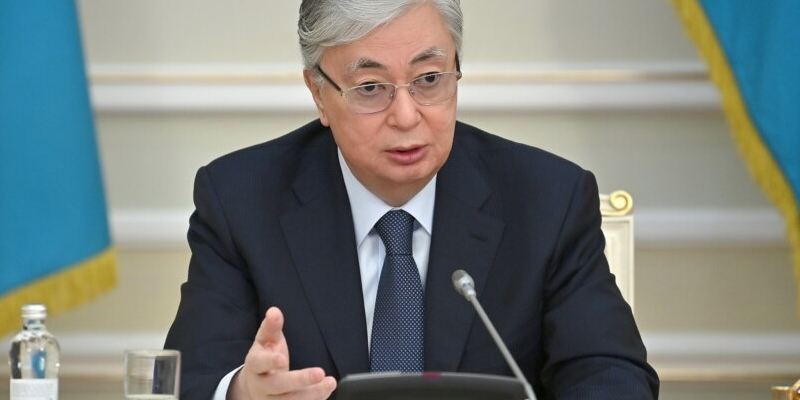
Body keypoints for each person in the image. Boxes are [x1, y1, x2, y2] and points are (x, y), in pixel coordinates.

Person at [164, 0, 660, 399]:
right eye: (371, 87)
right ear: (318, 93)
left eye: (428, 79)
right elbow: (192, 378)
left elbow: (610, 373)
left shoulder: (548, 199)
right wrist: (241, 393)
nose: (406, 116)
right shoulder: (241, 200)